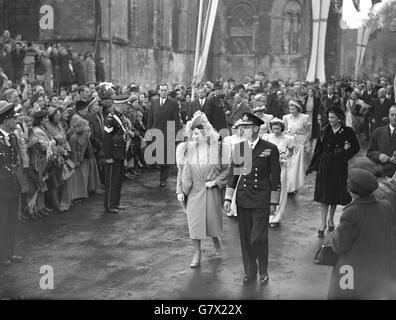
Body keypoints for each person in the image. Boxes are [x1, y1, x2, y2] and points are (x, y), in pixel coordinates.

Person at [224, 112, 281, 285]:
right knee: (245, 238)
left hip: (261, 199)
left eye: (246, 127)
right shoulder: (240, 148)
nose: (242, 129)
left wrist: (273, 201)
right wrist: (228, 198)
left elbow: (276, 177)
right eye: (241, 127)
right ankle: (250, 271)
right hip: (243, 198)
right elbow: (233, 175)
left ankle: (263, 269)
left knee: (258, 238)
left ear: (256, 128)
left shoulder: (269, 148)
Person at [176, 112, 231, 268]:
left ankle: (216, 242)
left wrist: (215, 181)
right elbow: (181, 171)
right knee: (194, 224)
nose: (194, 137)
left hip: (211, 191)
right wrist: (179, 191)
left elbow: (228, 170)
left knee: (211, 222)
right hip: (194, 190)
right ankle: (197, 253)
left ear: (206, 133)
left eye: (198, 133)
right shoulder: (187, 149)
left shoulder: (219, 149)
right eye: (192, 134)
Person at [328, 168, 394, 299]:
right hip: (380, 269)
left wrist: (333, 235)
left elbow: (339, 246)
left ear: (353, 192)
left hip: (351, 272)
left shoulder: (352, 212)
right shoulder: (386, 206)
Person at [307, 107, 360, 238]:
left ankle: (331, 219)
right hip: (325, 165)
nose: (330, 120)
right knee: (324, 195)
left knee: (334, 194)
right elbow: (318, 150)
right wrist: (312, 165)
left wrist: (344, 154)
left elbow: (356, 147)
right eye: (329, 117)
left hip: (339, 165)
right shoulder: (324, 130)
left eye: (332, 117)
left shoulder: (347, 131)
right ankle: (322, 223)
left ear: (339, 118)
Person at [146, 83, 183, 188]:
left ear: (167, 91)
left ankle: (163, 178)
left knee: (166, 158)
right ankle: (159, 171)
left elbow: (176, 121)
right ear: (158, 91)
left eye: (165, 90)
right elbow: (150, 118)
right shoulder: (154, 103)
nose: (163, 92)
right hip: (156, 132)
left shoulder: (173, 104)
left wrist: (178, 134)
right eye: (161, 90)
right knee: (157, 155)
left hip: (168, 133)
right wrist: (148, 132)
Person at [0, 101, 22, 267]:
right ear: (6, 120)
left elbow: (15, 162)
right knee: (2, 221)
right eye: (14, 118)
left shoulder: (12, 137)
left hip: (13, 184)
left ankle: (9, 252)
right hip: (1, 188)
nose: (17, 121)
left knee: (11, 220)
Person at [263, 118, 293, 229]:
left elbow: (290, 152)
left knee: (280, 188)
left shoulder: (288, 139)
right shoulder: (267, 137)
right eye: (273, 128)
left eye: (278, 129)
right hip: (268, 166)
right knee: (267, 187)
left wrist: (283, 157)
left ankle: (276, 216)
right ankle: (267, 213)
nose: (275, 131)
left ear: (282, 128)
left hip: (281, 166)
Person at [102, 95, 130, 214]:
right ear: (120, 105)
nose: (127, 107)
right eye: (125, 105)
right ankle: (109, 205)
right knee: (112, 181)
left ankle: (115, 203)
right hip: (113, 154)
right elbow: (107, 139)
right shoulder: (110, 118)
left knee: (117, 180)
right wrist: (108, 157)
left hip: (119, 153)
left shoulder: (120, 117)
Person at [283, 100, 310, 194]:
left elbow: (307, 131)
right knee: (288, 164)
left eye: (293, 109)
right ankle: (288, 186)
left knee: (295, 166)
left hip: (299, 143)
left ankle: (293, 187)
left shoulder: (304, 117)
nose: (291, 111)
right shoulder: (286, 117)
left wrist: (306, 143)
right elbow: (284, 130)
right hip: (290, 143)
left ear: (298, 109)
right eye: (290, 109)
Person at [367, 105, 396, 178]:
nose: (395, 118)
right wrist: (378, 155)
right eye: (392, 115)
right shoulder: (378, 132)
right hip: (381, 174)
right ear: (388, 115)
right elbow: (369, 153)